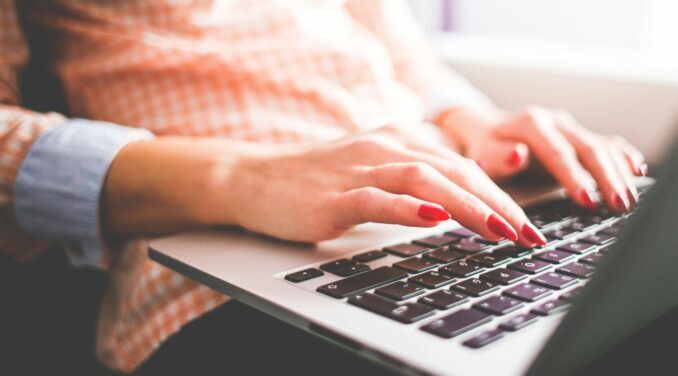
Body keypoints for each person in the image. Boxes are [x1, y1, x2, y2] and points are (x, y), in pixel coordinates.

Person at [0, 0, 646, 373]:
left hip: (447, 200)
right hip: (222, 258)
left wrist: (479, 125)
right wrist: (242, 176)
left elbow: (401, 56)